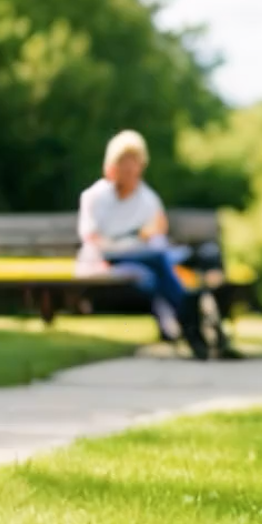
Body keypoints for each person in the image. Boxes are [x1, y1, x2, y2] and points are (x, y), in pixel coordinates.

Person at [75, 129, 209, 358]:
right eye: (123, 162)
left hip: (143, 261)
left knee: (155, 273)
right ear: (112, 166)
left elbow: (157, 232)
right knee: (162, 262)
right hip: (105, 259)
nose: (129, 169)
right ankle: (191, 320)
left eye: (133, 163)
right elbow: (92, 237)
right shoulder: (95, 196)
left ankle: (188, 325)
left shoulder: (148, 199)